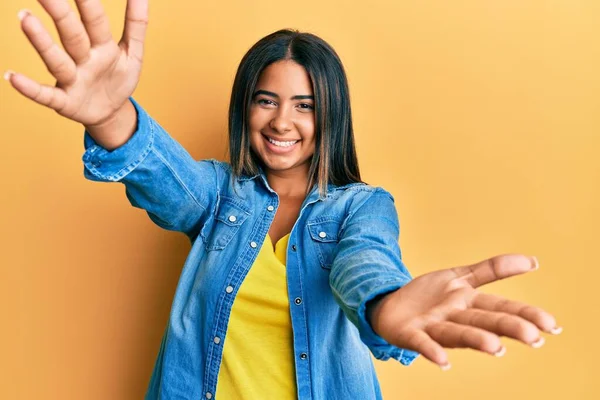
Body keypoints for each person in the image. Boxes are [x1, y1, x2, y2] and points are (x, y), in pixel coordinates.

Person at [5, 1, 562, 399]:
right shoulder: (220, 196)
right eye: (266, 100)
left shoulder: (360, 207)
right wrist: (107, 112)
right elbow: (159, 172)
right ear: (244, 109)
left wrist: (384, 304)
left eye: (305, 105)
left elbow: (364, 259)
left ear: (331, 115)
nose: (282, 121)